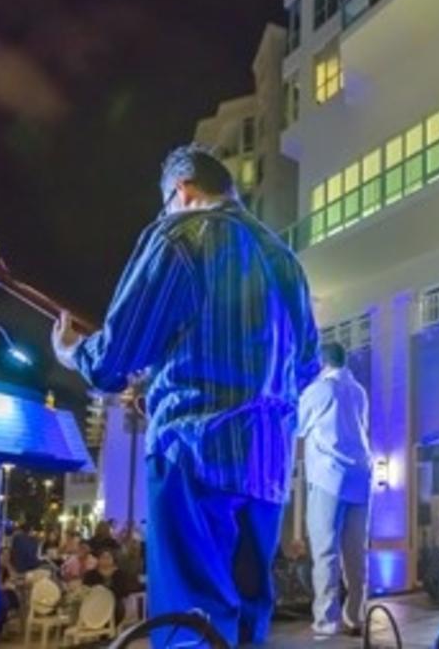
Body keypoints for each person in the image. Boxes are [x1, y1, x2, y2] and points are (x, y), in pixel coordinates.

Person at [51, 144, 319, 646]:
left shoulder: (180, 234)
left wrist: (72, 351)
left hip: (193, 456)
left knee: (191, 622)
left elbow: (114, 357)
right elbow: (306, 366)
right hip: (268, 468)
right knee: (244, 623)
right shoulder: (285, 260)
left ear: (182, 190)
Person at [299, 342, 372, 637]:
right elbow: (362, 428)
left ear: (322, 362)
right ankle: (355, 616)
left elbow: (297, 425)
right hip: (360, 476)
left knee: (326, 551)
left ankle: (327, 621)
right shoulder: (359, 392)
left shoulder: (320, 390)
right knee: (355, 552)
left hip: (329, 476)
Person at [81, 550, 135, 624]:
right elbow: (85, 589)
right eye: (103, 558)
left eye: (108, 558)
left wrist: (108, 592)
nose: (105, 560)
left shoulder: (119, 574)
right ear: (98, 559)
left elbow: (125, 591)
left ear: (113, 559)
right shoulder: (90, 574)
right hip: (95, 604)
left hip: (115, 604)